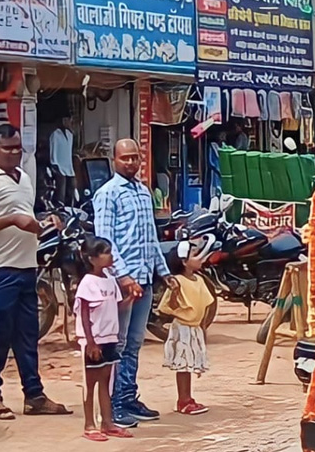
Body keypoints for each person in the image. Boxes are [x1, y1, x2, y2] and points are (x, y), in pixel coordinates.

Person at [0, 125, 71, 420]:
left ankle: (34, 395)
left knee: (27, 335)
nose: (13, 153)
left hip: (26, 266)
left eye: (17, 148)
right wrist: (11, 220)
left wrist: (44, 221)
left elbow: (25, 216)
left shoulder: (23, 178)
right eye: (7, 148)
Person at [93, 139, 176, 428]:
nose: (130, 162)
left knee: (135, 343)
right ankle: (112, 405)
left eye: (134, 158)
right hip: (120, 284)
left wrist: (164, 272)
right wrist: (124, 277)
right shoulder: (107, 194)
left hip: (145, 280)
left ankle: (128, 396)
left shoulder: (143, 193)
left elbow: (150, 238)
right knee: (116, 343)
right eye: (124, 158)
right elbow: (105, 242)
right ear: (114, 160)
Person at [73, 235, 133, 442]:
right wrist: (91, 341)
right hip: (94, 340)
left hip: (109, 337)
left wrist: (131, 297)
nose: (110, 256)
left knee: (106, 382)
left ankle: (107, 422)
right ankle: (89, 424)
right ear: (92, 258)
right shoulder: (88, 283)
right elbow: (84, 313)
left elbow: (116, 307)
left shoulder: (109, 279)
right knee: (90, 383)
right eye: (105, 252)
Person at [159, 240, 215, 416]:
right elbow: (170, 306)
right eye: (195, 254)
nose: (200, 258)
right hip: (182, 328)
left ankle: (187, 398)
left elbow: (205, 305)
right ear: (184, 261)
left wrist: (203, 329)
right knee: (183, 366)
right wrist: (174, 291)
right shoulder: (178, 281)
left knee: (190, 365)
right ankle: (183, 399)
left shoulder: (199, 280)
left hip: (195, 328)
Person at [49, 114, 76, 208]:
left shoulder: (70, 134)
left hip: (69, 167)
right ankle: (60, 209)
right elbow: (53, 150)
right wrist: (54, 165)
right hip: (59, 167)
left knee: (71, 190)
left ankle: (70, 209)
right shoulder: (55, 134)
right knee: (61, 192)